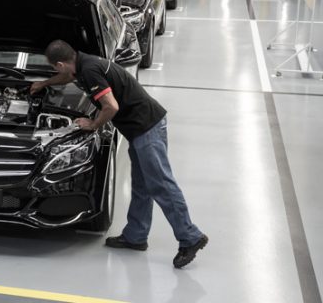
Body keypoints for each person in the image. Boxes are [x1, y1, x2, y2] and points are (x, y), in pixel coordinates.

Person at [30, 40, 207, 269]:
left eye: (54, 67)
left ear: (61, 64)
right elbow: (66, 77)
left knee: (161, 185)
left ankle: (191, 237)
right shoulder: (81, 65)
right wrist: (44, 83)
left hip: (147, 127)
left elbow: (111, 106)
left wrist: (93, 124)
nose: (57, 71)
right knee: (141, 185)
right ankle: (136, 236)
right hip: (139, 129)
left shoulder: (90, 71)